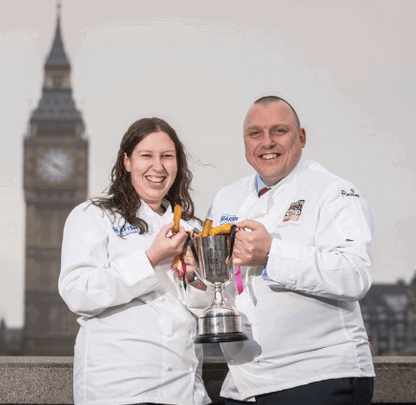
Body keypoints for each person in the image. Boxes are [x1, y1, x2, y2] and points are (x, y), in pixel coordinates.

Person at [206, 96, 375, 405]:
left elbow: (355, 274)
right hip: (243, 386)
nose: (266, 142)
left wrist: (272, 254)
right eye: (255, 133)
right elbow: (216, 287)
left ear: (302, 137)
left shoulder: (333, 192)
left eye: (279, 130)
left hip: (317, 379)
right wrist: (194, 275)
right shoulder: (226, 198)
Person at [59, 117, 210, 405]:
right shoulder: (94, 215)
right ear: (127, 162)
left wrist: (193, 278)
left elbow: (208, 309)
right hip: (119, 389)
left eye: (167, 156)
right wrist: (152, 257)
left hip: (183, 391)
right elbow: (77, 292)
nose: (158, 167)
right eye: (146, 156)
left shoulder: (191, 226)